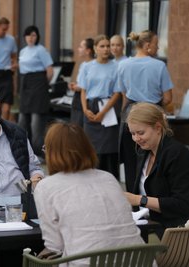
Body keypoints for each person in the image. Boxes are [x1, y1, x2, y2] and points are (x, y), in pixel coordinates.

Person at [34, 122, 144, 264]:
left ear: (51, 152)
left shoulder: (46, 186)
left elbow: (54, 246)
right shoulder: (108, 178)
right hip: (138, 260)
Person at [124, 103, 189, 238]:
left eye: (140, 133)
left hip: (176, 232)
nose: (136, 139)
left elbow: (184, 204)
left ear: (158, 128)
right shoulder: (143, 152)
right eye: (133, 134)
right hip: (149, 226)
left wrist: (140, 200)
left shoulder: (178, 154)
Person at [117, 30, 173, 191]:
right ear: (148, 45)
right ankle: (153, 199)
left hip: (131, 114)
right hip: (152, 114)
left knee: (130, 161)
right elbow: (168, 98)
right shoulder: (159, 65)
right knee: (155, 158)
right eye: (156, 44)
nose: (158, 48)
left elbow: (124, 95)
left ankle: (135, 205)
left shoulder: (123, 64)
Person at [78, 35, 121, 178]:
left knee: (109, 151)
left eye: (108, 46)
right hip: (90, 107)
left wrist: (103, 112)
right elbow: (83, 90)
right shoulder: (86, 66)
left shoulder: (115, 66)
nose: (106, 49)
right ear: (95, 48)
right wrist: (85, 110)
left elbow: (117, 92)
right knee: (91, 149)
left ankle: (111, 185)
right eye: (102, 46)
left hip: (108, 109)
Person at [18, 25, 53, 158]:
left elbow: (50, 71)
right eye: (28, 35)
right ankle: (25, 153)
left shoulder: (41, 50)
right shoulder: (22, 51)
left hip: (39, 84)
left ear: (37, 36)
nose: (31, 38)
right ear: (25, 37)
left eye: (34, 35)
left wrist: (43, 85)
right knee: (22, 121)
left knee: (36, 124)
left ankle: (39, 154)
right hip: (25, 83)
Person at [69, 38, 94, 127]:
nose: (78, 49)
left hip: (84, 99)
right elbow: (81, 82)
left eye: (81, 47)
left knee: (79, 127)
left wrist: (79, 87)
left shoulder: (93, 65)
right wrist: (75, 85)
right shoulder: (83, 64)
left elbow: (89, 85)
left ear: (88, 51)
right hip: (77, 97)